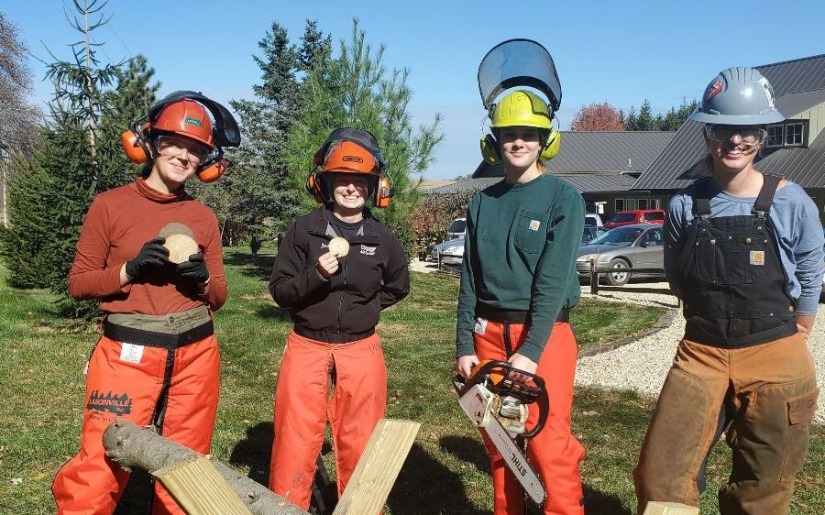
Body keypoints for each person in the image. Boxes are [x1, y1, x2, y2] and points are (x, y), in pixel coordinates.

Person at [634, 67, 824, 515]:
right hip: (701, 352)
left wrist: (803, 321)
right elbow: (677, 273)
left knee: (763, 487)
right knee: (661, 476)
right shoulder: (684, 204)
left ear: (762, 136)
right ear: (707, 134)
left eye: (747, 131)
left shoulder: (791, 199)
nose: (734, 140)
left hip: (776, 351)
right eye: (723, 130)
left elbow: (811, 266)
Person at [52, 91, 239, 515]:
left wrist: (202, 278)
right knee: (101, 460)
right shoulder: (110, 205)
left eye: (195, 150)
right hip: (127, 353)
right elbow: (79, 283)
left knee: (187, 464)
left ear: (206, 162)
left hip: (196, 352)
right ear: (149, 143)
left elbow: (220, 296)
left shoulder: (203, 217)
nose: (183, 156)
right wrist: (129, 270)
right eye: (174, 143)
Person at [455, 89, 587, 515]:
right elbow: (470, 277)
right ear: (493, 140)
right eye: (509, 133)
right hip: (489, 335)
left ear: (545, 139)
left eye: (529, 134)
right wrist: (464, 344)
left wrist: (530, 351)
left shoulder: (562, 198)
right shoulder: (482, 201)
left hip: (543, 334)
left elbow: (553, 282)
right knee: (499, 441)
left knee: (547, 442)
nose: (518, 142)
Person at [268, 128, 410, 511]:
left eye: (360, 181)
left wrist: (367, 309)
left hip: (361, 347)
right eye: (342, 179)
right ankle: (287, 507)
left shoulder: (382, 238)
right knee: (294, 439)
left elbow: (398, 286)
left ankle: (360, 507)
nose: (351, 188)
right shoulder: (304, 230)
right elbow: (280, 291)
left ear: (374, 187)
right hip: (307, 344)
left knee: (361, 438)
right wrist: (315, 275)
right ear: (325, 184)